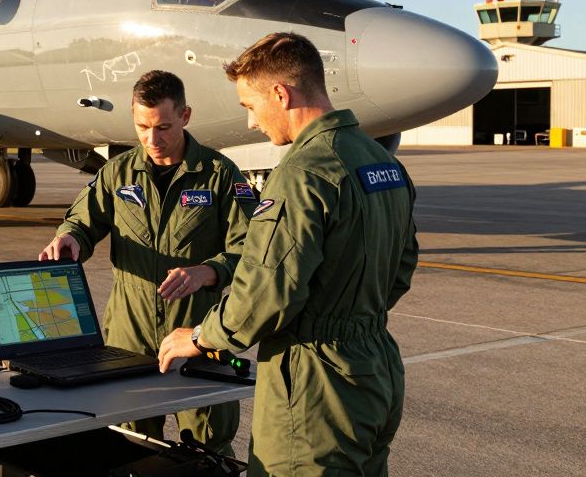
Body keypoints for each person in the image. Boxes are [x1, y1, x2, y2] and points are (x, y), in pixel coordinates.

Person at [157, 32, 419, 476]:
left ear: (280, 94)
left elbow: (265, 293)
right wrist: (350, 312)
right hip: (377, 370)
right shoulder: (382, 161)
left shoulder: (303, 173)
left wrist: (201, 336)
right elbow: (402, 266)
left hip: (316, 384)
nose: (251, 123)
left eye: (250, 105)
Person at [39, 69, 256, 455]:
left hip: (198, 339)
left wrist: (208, 271)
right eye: (142, 127)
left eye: (163, 127)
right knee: (129, 450)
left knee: (209, 450)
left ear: (185, 116)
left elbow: (254, 251)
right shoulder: (117, 174)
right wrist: (70, 238)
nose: (152, 140)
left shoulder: (220, 175)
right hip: (129, 343)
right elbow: (82, 222)